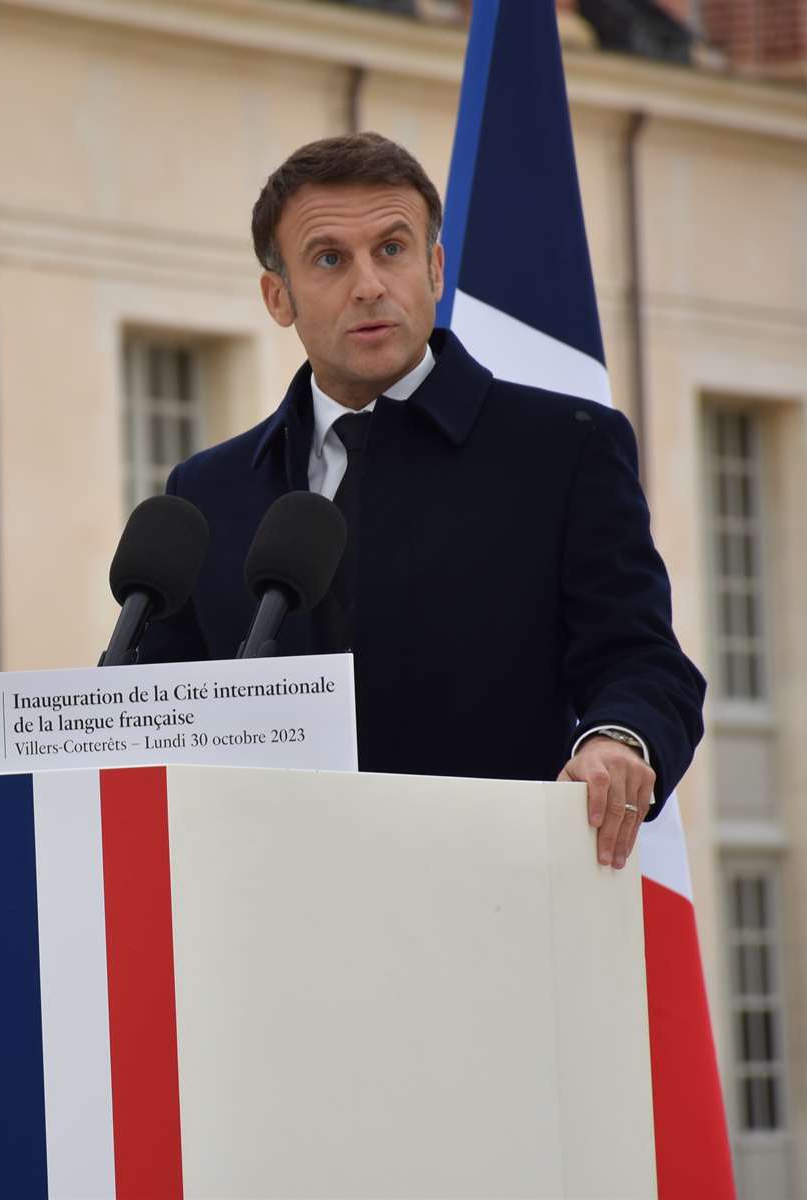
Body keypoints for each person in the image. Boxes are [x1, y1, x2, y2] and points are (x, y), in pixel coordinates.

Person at [138, 132, 706, 872]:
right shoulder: (207, 494)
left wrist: (616, 741)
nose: (370, 284)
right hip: (264, 920)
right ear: (278, 297)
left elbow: (643, 662)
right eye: (331, 259)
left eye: (393, 249)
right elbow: (149, 718)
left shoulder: (564, 450)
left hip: (497, 899)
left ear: (435, 267)